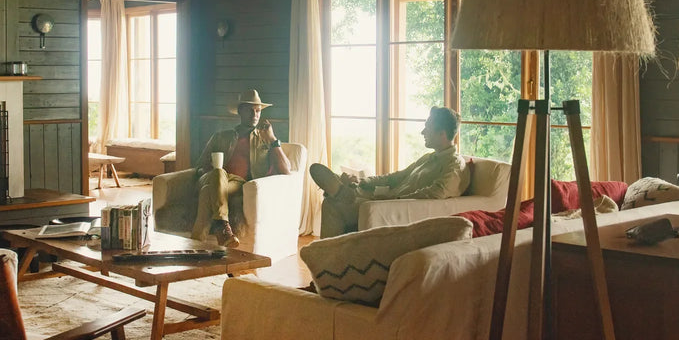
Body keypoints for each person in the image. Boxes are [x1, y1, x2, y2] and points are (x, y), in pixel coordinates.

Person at [310, 105, 470, 237]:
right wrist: (364, 181)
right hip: (385, 200)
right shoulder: (428, 158)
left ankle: (342, 190)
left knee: (332, 204)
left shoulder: (454, 165)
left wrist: (392, 198)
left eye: (427, 128)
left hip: (392, 208)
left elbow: (435, 194)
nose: (422, 132)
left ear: (442, 133)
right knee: (335, 200)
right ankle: (347, 187)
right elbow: (396, 177)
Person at [192, 89, 292, 247]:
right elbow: (199, 166)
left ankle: (195, 244)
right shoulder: (221, 136)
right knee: (217, 173)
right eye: (250, 110)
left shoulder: (265, 140)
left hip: (238, 184)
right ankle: (223, 227)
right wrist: (209, 171)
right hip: (211, 177)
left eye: (258, 111)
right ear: (240, 111)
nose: (255, 114)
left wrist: (273, 139)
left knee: (207, 192)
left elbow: (287, 170)